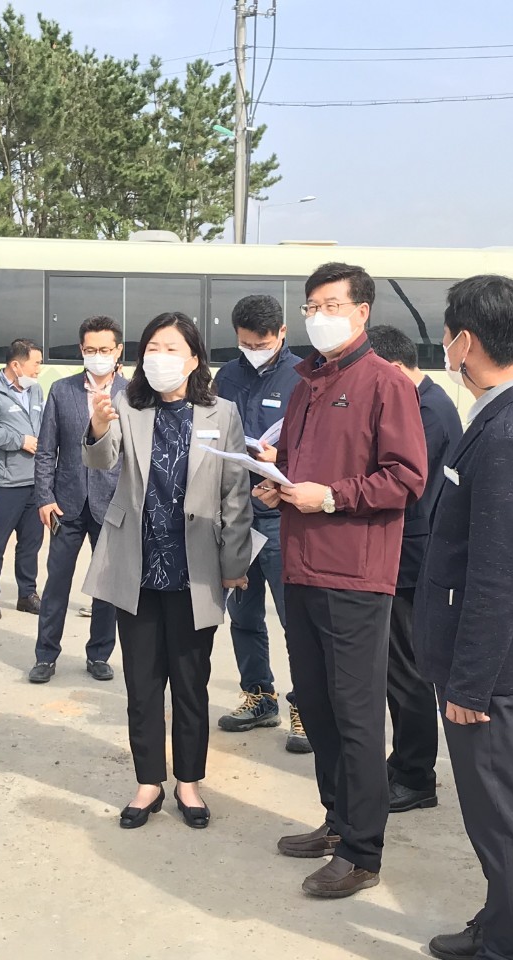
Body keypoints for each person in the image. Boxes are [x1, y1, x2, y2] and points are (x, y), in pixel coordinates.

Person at [255, 263, 427, 899]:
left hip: (356, 573)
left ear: (361, 312)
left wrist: (329, 498)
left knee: (357, 717)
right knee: (318, 707)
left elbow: (407, 477)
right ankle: (337, 821)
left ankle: (363, 852)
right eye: (310, 305)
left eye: (331, 304)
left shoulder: (384, 383)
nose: (318, 315)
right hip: (300, 567)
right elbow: (304, 471)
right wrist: (278, 486)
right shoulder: (306, 385)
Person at [413, 275, 513, 960]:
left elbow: (499, 574)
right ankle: (500, 921)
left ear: (466, 340)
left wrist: (470, 685)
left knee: (503, 817)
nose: (445, 346)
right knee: (493, 813)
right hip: (499, 663)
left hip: (496, 672)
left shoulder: (510, 431)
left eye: (448, 334)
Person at [83, 312, 253, 830]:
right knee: (141, 683)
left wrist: (234, 565)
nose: (162, 357)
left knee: (190, 683)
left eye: (173, 348)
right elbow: (101, 461)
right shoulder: (126, 407)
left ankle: (189, 783)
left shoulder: (221, 413)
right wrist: (97, 425)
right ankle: (148, 782)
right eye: (154, 347)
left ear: (194, 358)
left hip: (194, 570)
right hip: (135, 565)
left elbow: (235, 494)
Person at [364, 324, 462, 814]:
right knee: (398, 666)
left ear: (392, 368)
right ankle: (405, 759)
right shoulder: (423, 401)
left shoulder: (426, 412)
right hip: (406, 552)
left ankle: (416, 774)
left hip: (412, 556)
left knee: (407, 671)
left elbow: (396, 480)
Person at [212, 295, 311, 753]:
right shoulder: (227, 377)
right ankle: (259, 694)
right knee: (244, 614)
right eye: (248, 342)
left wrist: (281, 459)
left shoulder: (305, 377)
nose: (256, 348)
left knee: (296, 619)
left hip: (280, 516)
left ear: (283, 334)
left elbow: (317, 447)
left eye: (264, 342)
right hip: (236, 515)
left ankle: (306, 705)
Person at [30, 316, 127, 684]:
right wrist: (44, 496)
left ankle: (99, 653)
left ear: (118, 350)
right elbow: (45, 451)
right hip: (66, 503)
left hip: (112, 504)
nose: (97, 356)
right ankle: (45, 655)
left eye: (104, 349)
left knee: (107, 586)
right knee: (57, 582)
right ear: (81, 351)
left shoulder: (132, 394)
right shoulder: (62, 390)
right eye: (90, 350)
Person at [0, 338, 46, 621]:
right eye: (36, 362)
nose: (40, 368)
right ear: (16, 365)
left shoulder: (36, 390)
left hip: (35, 481)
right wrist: (19, 440)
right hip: (6, 482)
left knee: (31, 543)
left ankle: (27, 595)